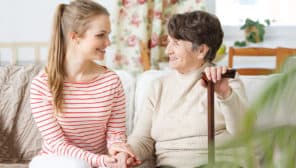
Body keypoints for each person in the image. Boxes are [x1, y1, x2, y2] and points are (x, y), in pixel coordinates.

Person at [127, 11, 249, 167]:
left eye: (176, 43)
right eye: (169, 42)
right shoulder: (158, 86)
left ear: (201, 51)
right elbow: (142, 140)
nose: (167, 50)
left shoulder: (227, 79)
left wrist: (225, 94)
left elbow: (245, 132)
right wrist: (127, 153)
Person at [29, 0, 139, 168]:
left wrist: (120, 154)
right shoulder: (43, 84)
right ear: (75, 37)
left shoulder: (111, 81)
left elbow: (116, 134)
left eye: (108, 35)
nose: (108, 43)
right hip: (56, 161)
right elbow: (57, 145)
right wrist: (100, 161)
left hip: (99, 162)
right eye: (100, 35)